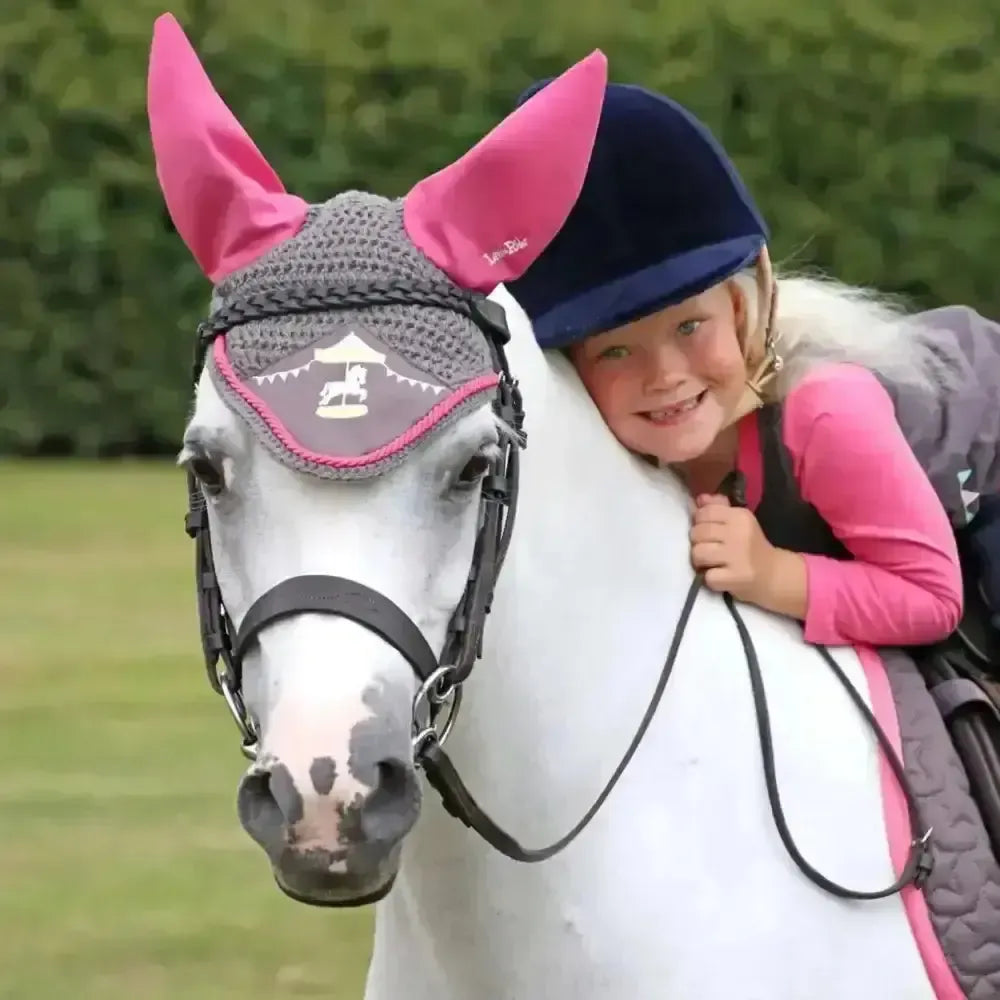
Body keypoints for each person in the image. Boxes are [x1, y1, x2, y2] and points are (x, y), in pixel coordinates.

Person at [503, 79, 1000, 651]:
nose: (664, 374)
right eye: (614, 350)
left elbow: (931, 599)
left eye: (690, 327)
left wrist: (773, 575)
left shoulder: (827, 413)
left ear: (740, 309)